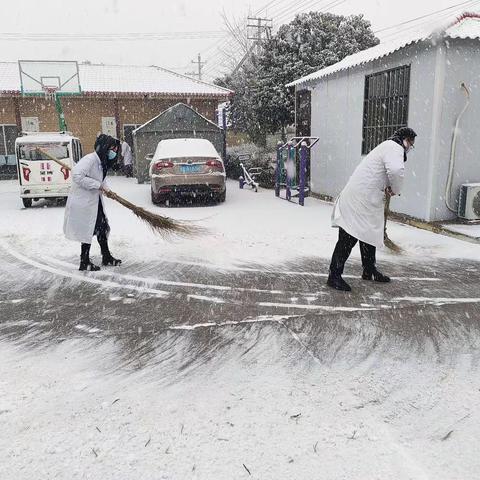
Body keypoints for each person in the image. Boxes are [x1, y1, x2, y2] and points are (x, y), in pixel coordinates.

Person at [327, 127, 417, 292]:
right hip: (358, 200)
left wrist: (389, 186)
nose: (410, 148)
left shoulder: (389, 147)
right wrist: (395, 189)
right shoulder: (394, 147)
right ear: (405, 140)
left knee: (369, 234)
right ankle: (334, 276)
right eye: (410, 144)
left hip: (366, 199)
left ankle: (369, 270)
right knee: (349, 237)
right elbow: (396, 171)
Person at [63, 134, 122, 271]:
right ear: (105, 147)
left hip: (94, 201)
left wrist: (107, 190)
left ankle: (106, 256)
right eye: (112, 148)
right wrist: (97, 185)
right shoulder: (89, 159)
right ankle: (84, 261)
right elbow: (77, 176)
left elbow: (101, 181)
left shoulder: (101, 162)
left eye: (115, 149)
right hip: (83, 202)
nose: (114, 151)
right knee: (87, 230)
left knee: (102, 227)